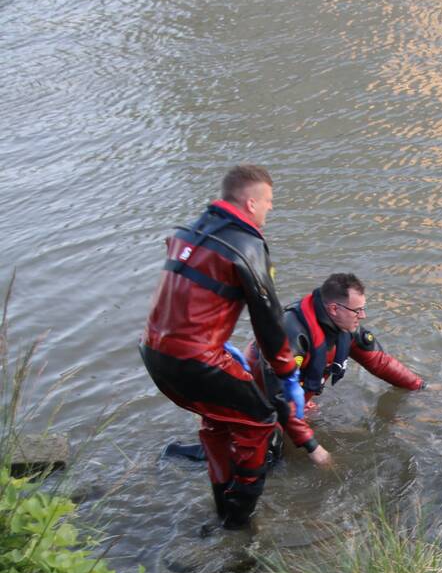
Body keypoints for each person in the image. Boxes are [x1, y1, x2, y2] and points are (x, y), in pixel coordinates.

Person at [140, 165, 327, 531]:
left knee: (218, 420)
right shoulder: (247, 243)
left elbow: (182, 299)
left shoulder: (190, 231)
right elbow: (269, 320)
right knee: (261, 419)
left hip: (154, 353)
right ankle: (239, 521)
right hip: (196, 361)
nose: (270, 210)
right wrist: (288, 374)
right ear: (251, 201)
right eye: (269, 202)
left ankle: (221, 502)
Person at [245, 272, 424, 454]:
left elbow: (380, 362)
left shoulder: (343, 324)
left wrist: (419, 386)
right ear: (334, 309)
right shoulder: (291, 335)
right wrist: (312, 447)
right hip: (259, 406)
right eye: (357, 310)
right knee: (270, 458)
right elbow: (278, 396)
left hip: (294, 399)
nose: (363, 315)